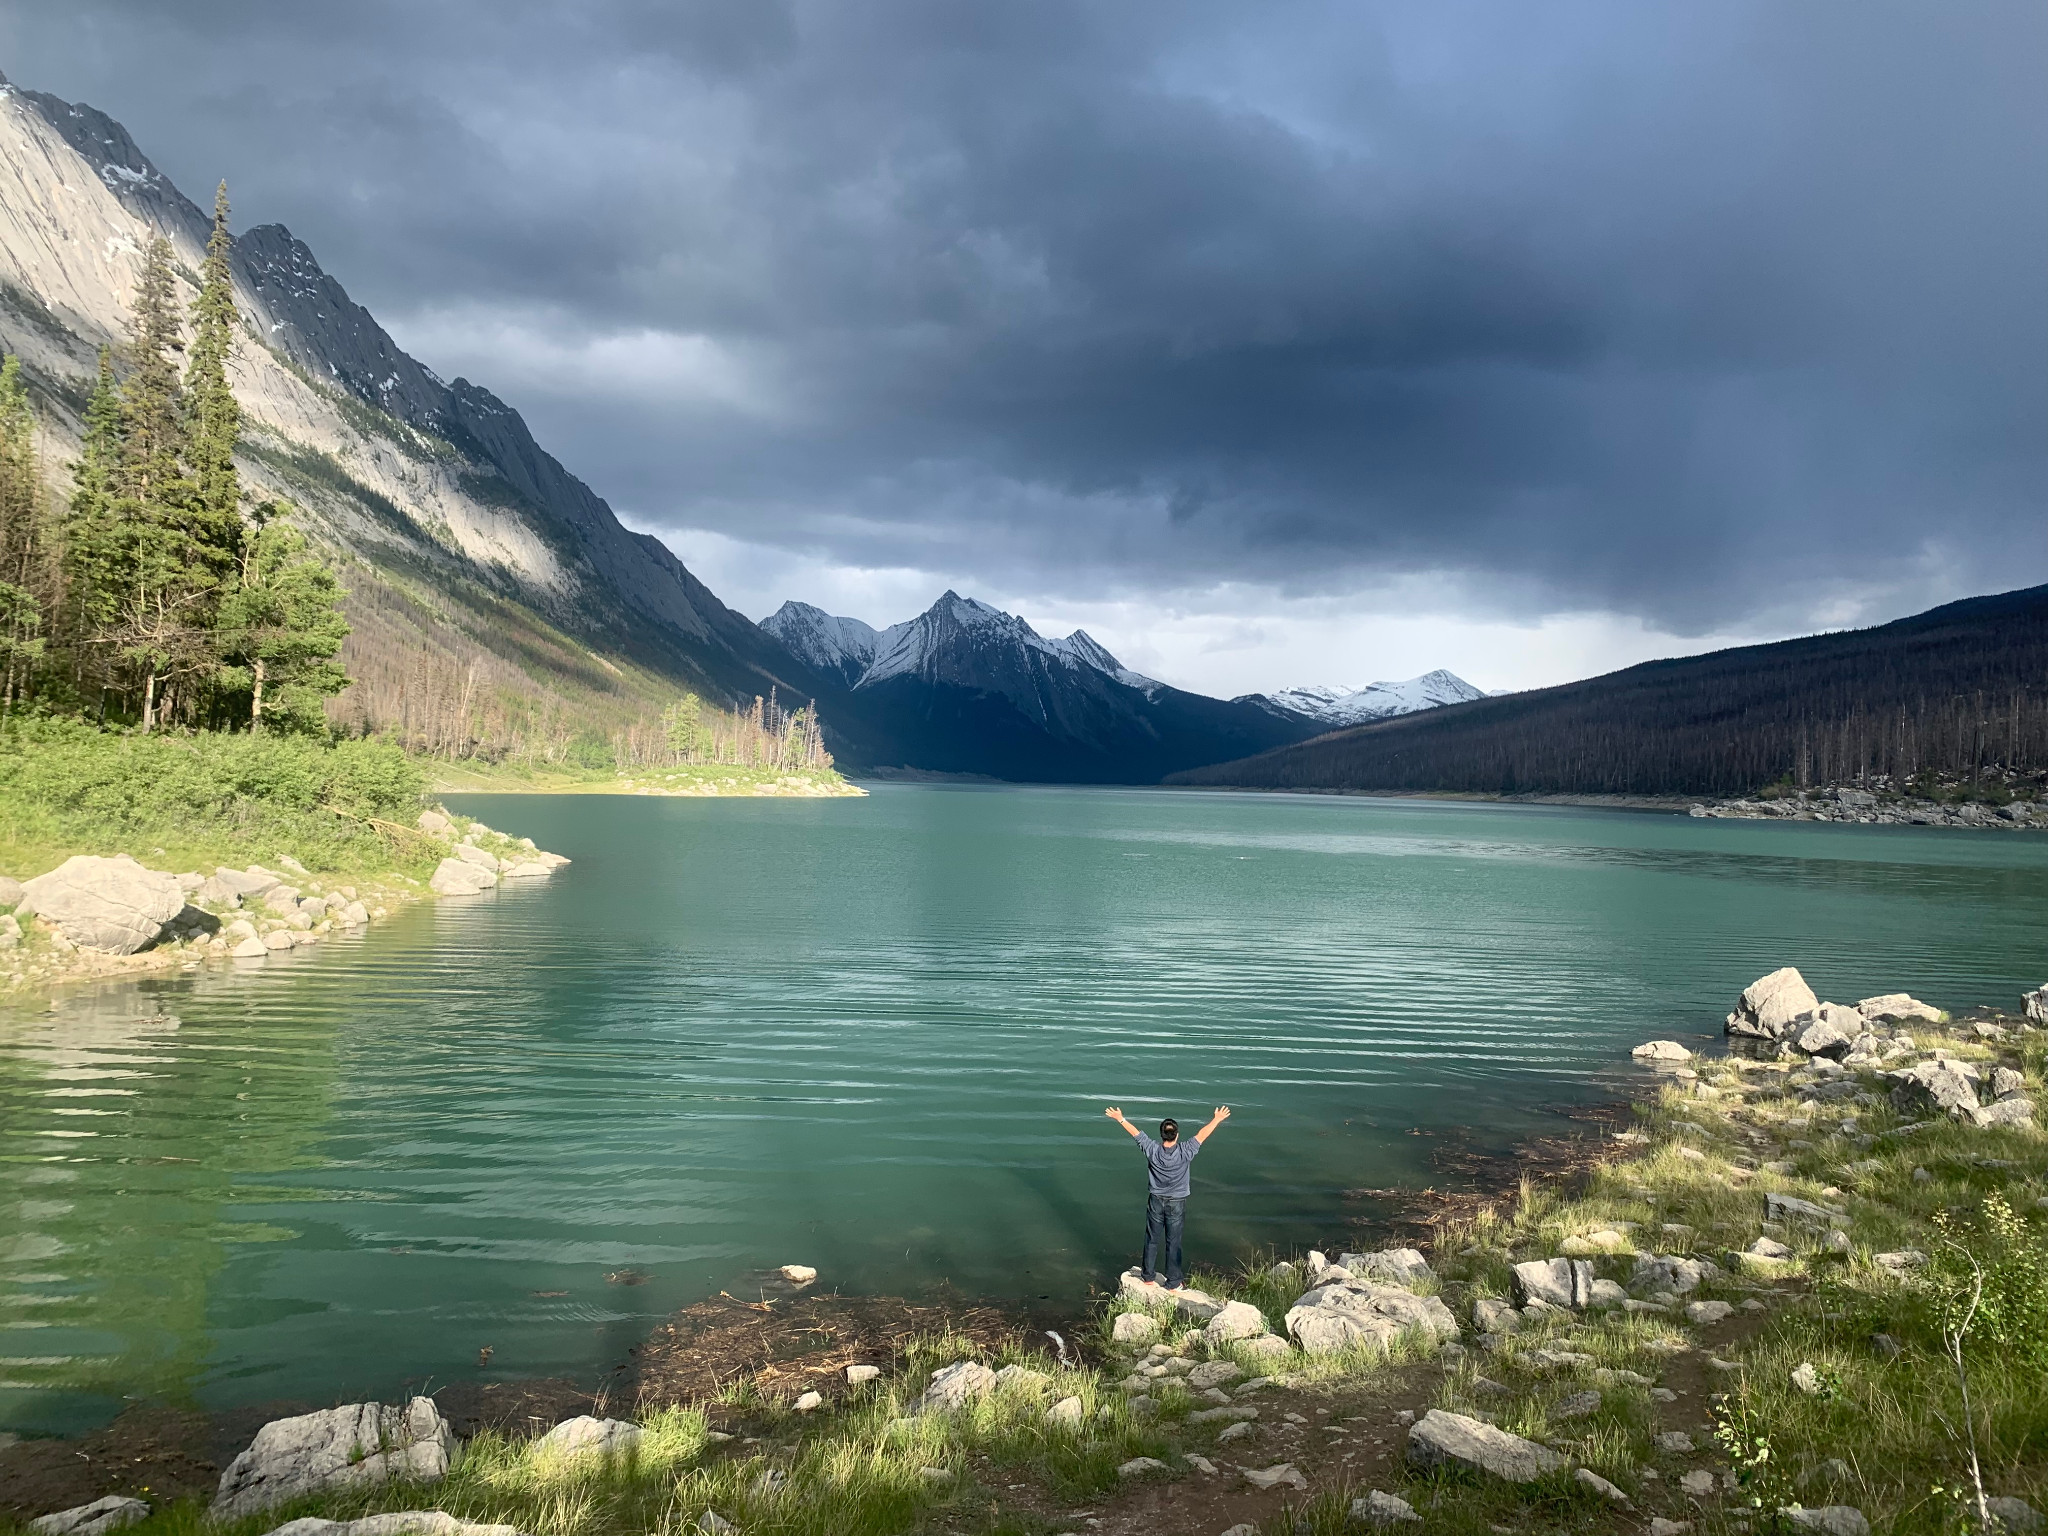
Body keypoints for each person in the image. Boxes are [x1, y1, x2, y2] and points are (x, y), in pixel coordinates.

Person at [1104, 1104, 1230, 1292]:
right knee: (1174, 1242)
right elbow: (1202, 1135)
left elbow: (1136, 1134)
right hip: (1177, 1202)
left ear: (1162, 1135)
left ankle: (1147, 1276)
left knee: (1152, 1238)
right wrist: (1217, 1119)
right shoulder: (1185, 1151)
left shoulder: (1152, 1150)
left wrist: (1120, 1118)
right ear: (1176, 1135)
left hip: (1155, 1200)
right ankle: (1173, 1282)